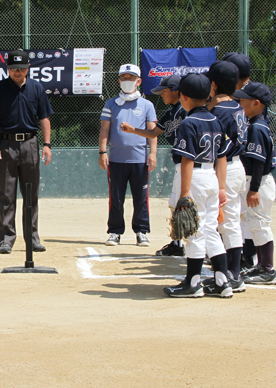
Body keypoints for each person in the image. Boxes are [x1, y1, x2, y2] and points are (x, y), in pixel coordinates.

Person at [161, 74, 232, 298]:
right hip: (212, 177)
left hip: (196, 179)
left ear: (183, 97)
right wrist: (222, 187)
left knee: (193, 231)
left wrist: (184, 194)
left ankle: (192, 283)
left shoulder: (188, 123)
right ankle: (222, 281)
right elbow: (222, 156)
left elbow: (187, 159)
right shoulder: (216, 120)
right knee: (210, 230)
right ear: (208, 95)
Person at [0, 49, 54, 254]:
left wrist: (47, 144)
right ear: (8, 68)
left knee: (31, 193)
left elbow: (44, 118)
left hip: (30, 144)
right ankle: (6, 240)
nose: (18, 71)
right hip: (6, 145)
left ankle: (32, 238)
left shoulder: (36, 88)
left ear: (28, 68)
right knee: (6, 194)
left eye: (21, 68)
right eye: (14, 68)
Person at [119, 74, 186, 256]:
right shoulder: (171, 113)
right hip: (180, 164)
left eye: (164, 91)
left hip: (190, 164)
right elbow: (153, 132)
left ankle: (198, 245)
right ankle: (177, 242)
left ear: (176, 91)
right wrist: (133, 130)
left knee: (186, 204)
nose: (161, 94)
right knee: (175, 203)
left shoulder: (187, 110)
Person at [99, 63, 157, 247]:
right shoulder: (110, 104)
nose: (127, 81)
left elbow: (153, 131)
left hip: (140, 160)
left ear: (138, 81)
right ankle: (115, 232)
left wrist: (153, 153)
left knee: (141, 198)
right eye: (123, 78)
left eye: (131, 78)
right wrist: (102, 152)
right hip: (116, 160)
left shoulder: (147, 105)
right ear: (118, 81)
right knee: (116, 198)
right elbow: (104, 129)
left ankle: (141, 232)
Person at [205, 60, 248, 293]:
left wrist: (219, 184)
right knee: (229, 221)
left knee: (226, 222)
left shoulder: (219, 112)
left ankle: (232, 275)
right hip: (236, 166)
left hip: (225, 169)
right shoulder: (236, 107)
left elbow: (218, 150)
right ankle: (231, 272)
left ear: (213, 85)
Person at [235, 82, 276, 285]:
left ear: (256, 103)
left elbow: (259, 162)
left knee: (260, 224)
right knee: (255, 224)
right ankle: (261, 265)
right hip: (257, 183)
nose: (240, 103)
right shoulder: (256, 124)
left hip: (259, 183)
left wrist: (253, 189)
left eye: (244, 100)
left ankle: (267, 269)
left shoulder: (257, 128)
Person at [222, 51, 258, 270]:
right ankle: (240, 257)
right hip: (240, 164)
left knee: (244, 216)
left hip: (245, 164)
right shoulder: (237, 98)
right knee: (238, 216)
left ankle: (248, 257)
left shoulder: (249, 97)